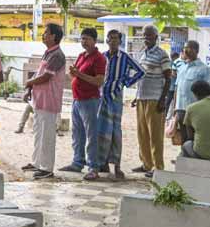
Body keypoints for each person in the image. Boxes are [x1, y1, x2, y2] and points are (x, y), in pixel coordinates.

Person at [21, 23, 68, 180]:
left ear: (54, 36)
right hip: (39, 100)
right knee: (38, 133)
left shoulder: (57, 55)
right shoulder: (47, 53)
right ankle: (37, 163)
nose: (43, 35)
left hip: (49, 100)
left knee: (47, 136)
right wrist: (30, 89)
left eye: (46, 32)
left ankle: (47, 168)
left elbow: (47, 76)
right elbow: (38, 74)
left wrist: (29, 83)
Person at [59, 28, 107, 181]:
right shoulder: (81, 56)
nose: (83, 42)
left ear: (94, 40)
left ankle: (93, 167)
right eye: (82, 39)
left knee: (91, 135)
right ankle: (77, 162)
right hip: (77, 99)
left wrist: (79, 74)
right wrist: (73, 73)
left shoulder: (99, 58)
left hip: (90, 100)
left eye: (86, 39)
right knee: (77, 133)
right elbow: (76, 74)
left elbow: (99, 81)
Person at [97, 29, 144, 179]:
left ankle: (116, 164)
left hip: (116, 96)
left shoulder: (124, 57)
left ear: (120, 41)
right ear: (107, 40)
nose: (113, 41)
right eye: (111, 38)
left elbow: (140, 71)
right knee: (102, 129)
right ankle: (102, 162)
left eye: (116, 39)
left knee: (115, 131)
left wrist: (125, 82)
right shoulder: (103, 56)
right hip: (102, 95)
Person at [134, 25, 172, 177]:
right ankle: (146, 164)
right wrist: (136, 96)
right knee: (142, 133)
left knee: (155, 135)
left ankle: (158, 167)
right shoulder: (142, 53)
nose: (146, 38)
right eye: (144, 36)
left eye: (149, 36)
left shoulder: (162, 54)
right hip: (142, 98)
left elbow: (168, 78)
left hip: (155, 99)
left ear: (156, 37)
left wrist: (163, 99)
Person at [168, 40, 210, 144]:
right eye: (184, 48)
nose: (185, 50)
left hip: (196, 110)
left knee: (195, 137)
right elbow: (177, 89)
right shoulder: (182, 68)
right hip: (181, 110)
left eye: (189, 48)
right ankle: (184, 157)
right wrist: (175, 109)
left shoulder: (205, 69)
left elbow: (208, 93)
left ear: (196, 50)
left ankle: (194, 159)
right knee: (183, 138)